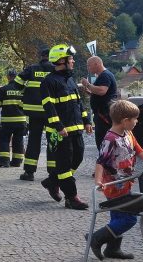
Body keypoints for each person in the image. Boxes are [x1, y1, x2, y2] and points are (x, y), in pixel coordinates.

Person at [90, 100, 143, 260]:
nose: (137, 122)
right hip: (113, 186)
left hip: (126, 182)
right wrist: (98, 181)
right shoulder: (110, 138)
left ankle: (112, 249)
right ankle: (95, 238)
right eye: (135, 119)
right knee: (129, 218)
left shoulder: (128, 134)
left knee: (117, 216)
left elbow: (140, 151)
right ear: (125, 121)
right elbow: (100, 161)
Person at [40, 44, 92, 210]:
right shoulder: (49, 82)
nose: (73, 61)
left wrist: (87, 121)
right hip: (60, 132)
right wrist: (58, 126)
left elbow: (79, 104)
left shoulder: (69, 80)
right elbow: (49, 108)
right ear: (61, 60)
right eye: (70, 59)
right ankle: (71, 197)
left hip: (76, 129)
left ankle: (52, 182)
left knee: (77, 158)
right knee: (64, 165)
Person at [16, 49, 55, 181]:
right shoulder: (56, 69)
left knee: (33, 141)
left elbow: (16, 83)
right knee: (52, 142)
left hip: (34, 113)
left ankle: (29, 172)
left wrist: (26, 93)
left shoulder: (32, 69)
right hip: (51, 112)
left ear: (41, 56)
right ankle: (53, 173)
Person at [81, 56, 118, 149]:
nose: (88, 68)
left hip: (104, 114)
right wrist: (91, 93)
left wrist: (87, 84)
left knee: (103, 141)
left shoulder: (105, 75)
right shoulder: (104, 75)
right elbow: (101, 94)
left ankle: (105, 161)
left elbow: (102, 91)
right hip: (102, 113)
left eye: (89, 66)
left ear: (96, 64)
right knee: (102, 141)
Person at [0, 69, 27, 168]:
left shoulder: (3, 89)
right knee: (18, 140)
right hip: (21, 120)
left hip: (7, 121)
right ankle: (17, 161)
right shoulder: (24, 89)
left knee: (4, 139)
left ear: (8, 77)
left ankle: (4, 161)